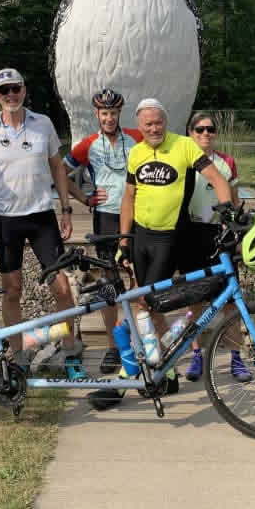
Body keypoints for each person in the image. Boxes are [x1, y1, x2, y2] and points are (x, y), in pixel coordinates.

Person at [88, 98, 233, 409]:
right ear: (139, 126)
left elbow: (217, 179)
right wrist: (124, 240)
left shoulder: (183, 146)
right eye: (147, 124)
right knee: (146, 309)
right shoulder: (137, 152)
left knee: (145, 305)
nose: (153, 128)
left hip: (169, 238)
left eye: (158, 122)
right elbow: (128, 197)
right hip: (140, 236)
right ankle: (163, 371)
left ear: (166, 123)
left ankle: (129, 380)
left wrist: (228, 215)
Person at [0, 68, 85, 380]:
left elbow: (58, 168)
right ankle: (18, 356)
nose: (10, 95)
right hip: (6, 220)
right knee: (12, 291)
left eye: (15, 89)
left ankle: (71, 351)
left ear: (23, 90)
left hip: (41, 217)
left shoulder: (42, 123)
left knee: (61, 288)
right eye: (4, 91)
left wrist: (66, 210)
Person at [65, 88, 142, 373]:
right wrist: (83, 198)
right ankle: (113, 346)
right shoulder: (88, 145)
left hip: (137, 215)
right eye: (104, 113)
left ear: (120, 113)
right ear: (97, 114)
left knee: (139, 280)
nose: (109, 118)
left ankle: (137, 342)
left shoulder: (136, 138)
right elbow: (59, 171)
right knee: (109, 282)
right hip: (106, 218)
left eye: (114, 113)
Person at [180, 112, 251, 383]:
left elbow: (234, 201)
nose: (205, 134)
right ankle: (197, 355)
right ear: (190, 133)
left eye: (210, 130)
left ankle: (236, 357)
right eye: (199, 130)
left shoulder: (226, 162)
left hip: (220, 232)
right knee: (194, 298)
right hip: (192, 232)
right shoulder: (183, 161)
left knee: (230, 301)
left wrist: (238, 235)